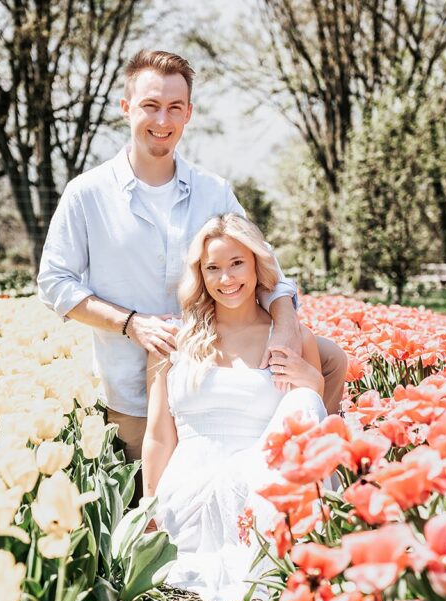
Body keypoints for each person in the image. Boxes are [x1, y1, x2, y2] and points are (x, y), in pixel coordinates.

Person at [36, 49, 347, 502]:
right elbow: (55, 282)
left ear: (188, 114)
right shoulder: (87, 194)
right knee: (154, 485)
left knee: (330, 360)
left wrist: (283, 328)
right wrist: (132, 323)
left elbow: (266, 268)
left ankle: (319, 488)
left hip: (223, 355)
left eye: (174, 108)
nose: (162, 119)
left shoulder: (213, 191)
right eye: (150, 105)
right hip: (139, 370)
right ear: (127, 108)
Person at [143, 213, 327, 601]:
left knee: (304, 398)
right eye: (213, 268)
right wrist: (148, 511)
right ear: (201, 275)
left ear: (258, 264)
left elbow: (310, 424)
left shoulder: (293, 340)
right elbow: (159, 435)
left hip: (258, 491)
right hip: (189, 492)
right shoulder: (175, 339)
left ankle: (294, 544)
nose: (226, 279)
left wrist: (312, 382)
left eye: (236, 264)